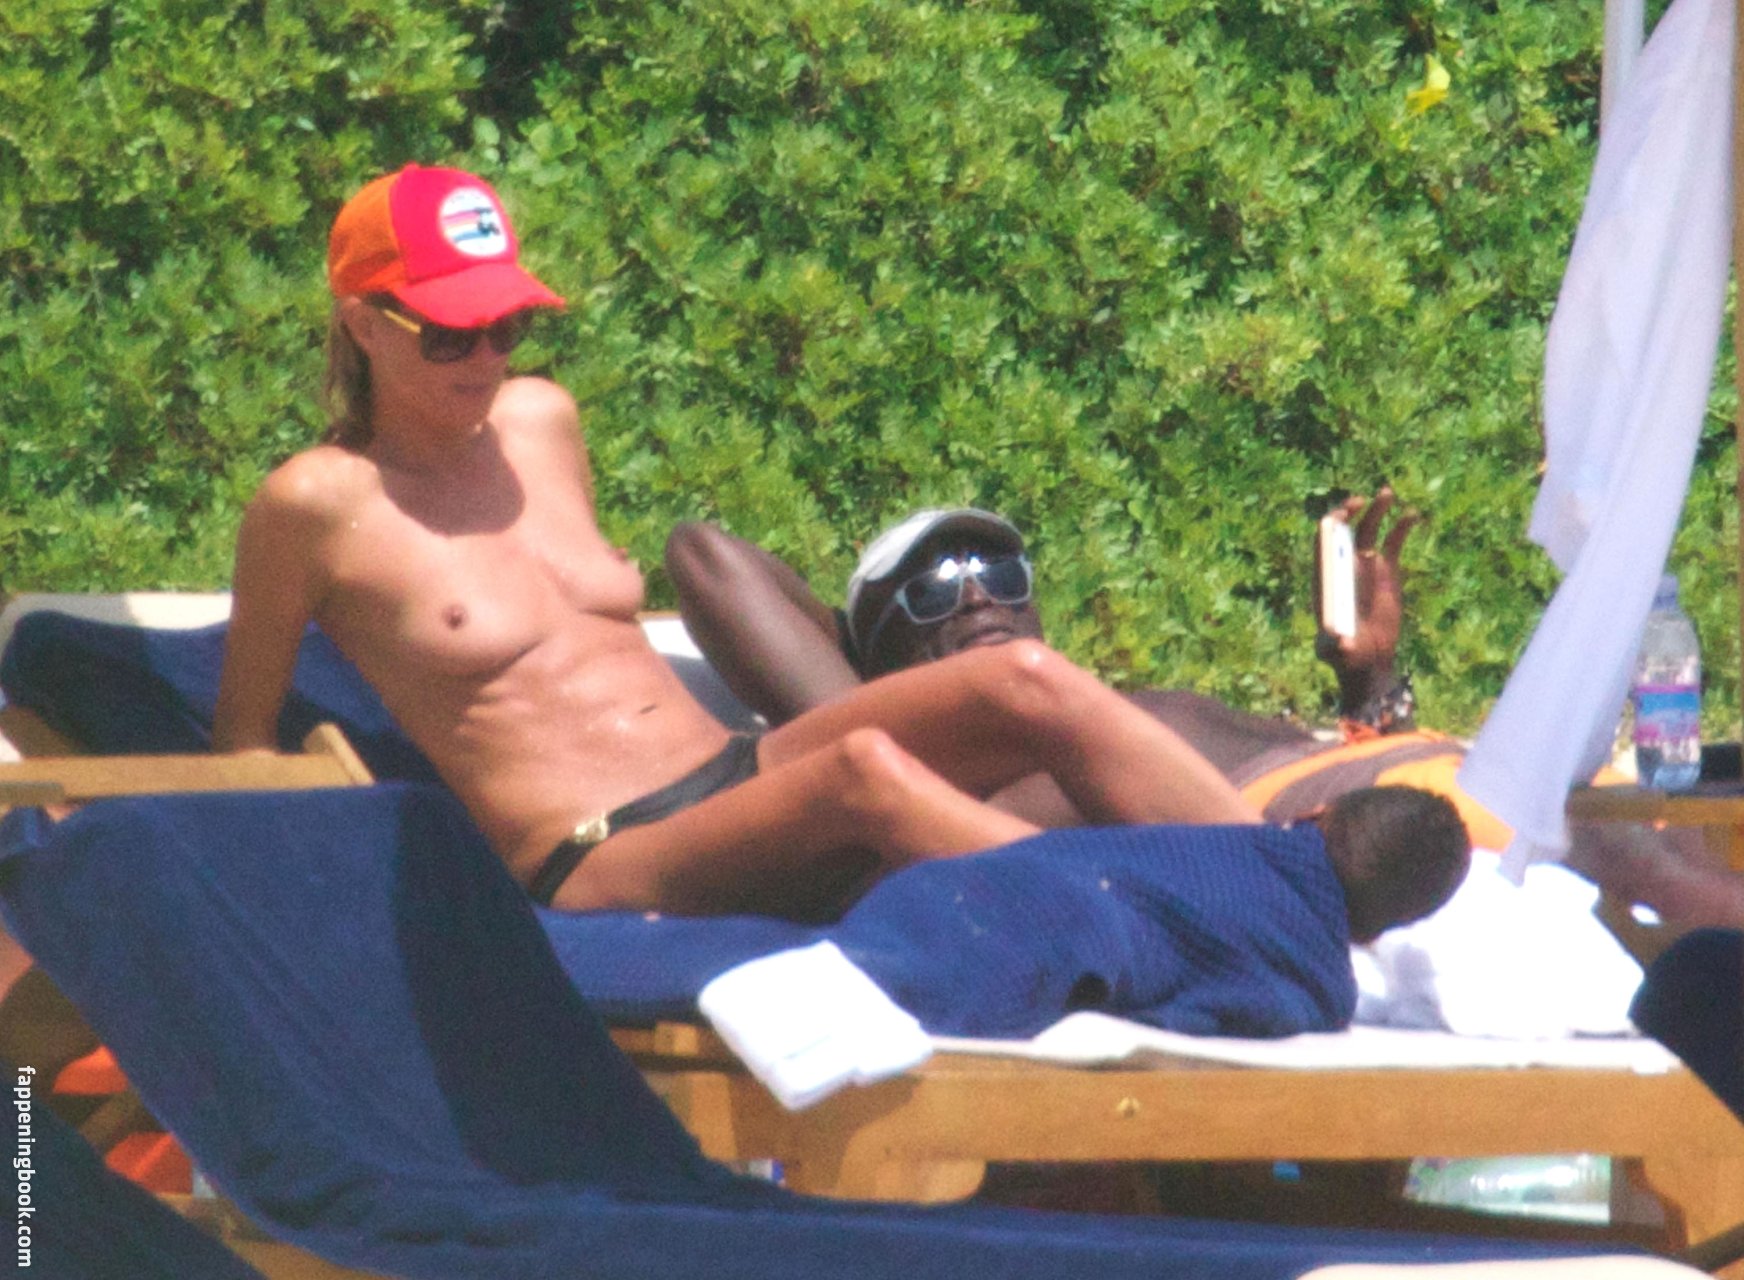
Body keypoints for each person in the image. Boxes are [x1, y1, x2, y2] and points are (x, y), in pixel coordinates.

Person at [211, 163, 1268, 924]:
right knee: (863, 769)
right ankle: (1170, 929)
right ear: (362, 323)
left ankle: (1289, 888)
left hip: (733, 769)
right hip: (599, 851)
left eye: (506, 325)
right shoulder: (315, 504)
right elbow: (242, 745)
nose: (485, 358)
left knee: (1024, 678)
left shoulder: (540, 421)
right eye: (449, 333)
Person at [667, 505, 1744, 929]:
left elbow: (1347, 768)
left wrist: (1366, 683)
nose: (981, 597)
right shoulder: (901, 770)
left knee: (1687, 830)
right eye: (932, 591)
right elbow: (704, 554)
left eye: (1000, 572)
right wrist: (872, 682)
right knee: (1668, 870)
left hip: (1473, 783)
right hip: (1429, 836)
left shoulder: (1111, 718)